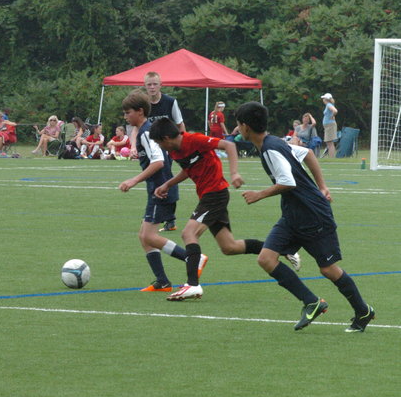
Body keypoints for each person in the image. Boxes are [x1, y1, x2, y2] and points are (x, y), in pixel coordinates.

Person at [236, 101, 374, 332]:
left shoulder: (270, 148)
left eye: (238, 124)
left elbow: (288, 182)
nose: (237, 128)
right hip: (293, 215)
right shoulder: (272, 143)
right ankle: (311, 301)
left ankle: (363, 311)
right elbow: (308, 153)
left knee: (328, 269)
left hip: (312, 215)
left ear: (246, 127)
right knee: (266, 259)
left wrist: (259, 194)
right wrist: (322, 186)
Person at [150, 116, 300, 301]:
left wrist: (234, 173)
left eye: (159, 143)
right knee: (229, 247)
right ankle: (283, 249)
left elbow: (229, 146)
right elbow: (188, 169)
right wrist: (168, 184)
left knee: (189, 233)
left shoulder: (194, 140)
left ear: (166, 138)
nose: (160, 147)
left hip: (215, 194)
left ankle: (192, 285)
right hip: (207, 195)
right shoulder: (175, 151)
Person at [118, 90, 201, 293]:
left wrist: (133, 180)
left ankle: (193, 259)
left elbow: (158, 162)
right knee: (144, 236)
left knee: (149, 236)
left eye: (128, 112)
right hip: (157, 190)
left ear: (140, 111)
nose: (125, 116)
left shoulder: (147, 132)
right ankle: (162, 281)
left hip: (161, 190)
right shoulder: (145, 131)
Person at [142, 71, 185, 233]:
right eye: (149, 84)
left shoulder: (170, 102)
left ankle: (166, 218)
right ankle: (159, 216)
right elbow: (136, 126)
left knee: (163, 178)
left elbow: (180, 124)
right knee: (154, 180)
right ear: (145, 86)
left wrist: (183, 144)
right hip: (149, 149)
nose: (152, 87)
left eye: (155, 84)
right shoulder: (143, 104)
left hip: (167, 147)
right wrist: (133, 146)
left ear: (161, 85)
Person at [321, 93, 338, 157]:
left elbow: (335, 111)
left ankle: (332, 157)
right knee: (329, 142)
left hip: (330, 125)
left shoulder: (328, 104)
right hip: (328, 125)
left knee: (329, 142)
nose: (323, 99)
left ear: (326, 99)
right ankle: (331, 157)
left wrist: (332, 116)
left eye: (324, 98)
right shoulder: (329, 105)